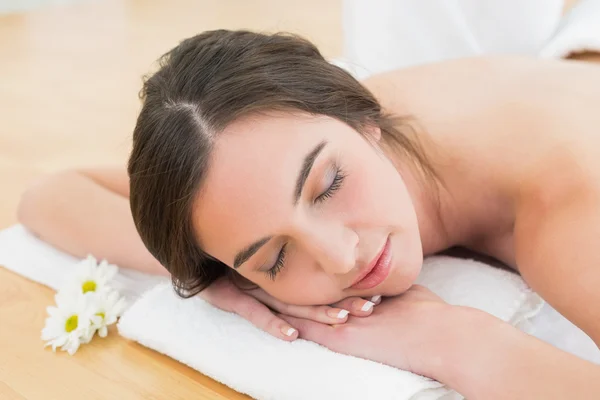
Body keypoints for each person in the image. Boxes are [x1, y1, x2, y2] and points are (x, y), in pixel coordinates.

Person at [18, 29, 600, 398]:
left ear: (364, 119)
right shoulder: (276, 139)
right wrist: (208, 278)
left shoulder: (569, 217)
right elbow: (48, 197)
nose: (340, 255)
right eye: (275, 258)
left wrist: (456, 339)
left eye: (329, 186)